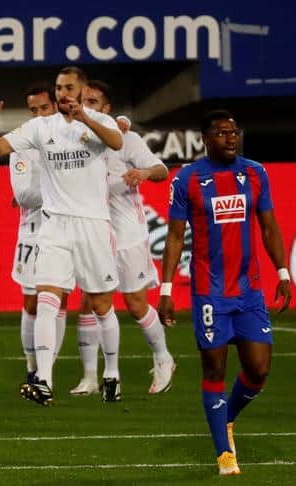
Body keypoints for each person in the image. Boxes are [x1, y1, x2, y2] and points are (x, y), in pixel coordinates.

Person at [0, 66, 124, 406]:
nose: (63, 93)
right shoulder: (40, 126)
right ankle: (43, 379)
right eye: (59, 88)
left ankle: (112, 373)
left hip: (92, 224)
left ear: (82, 89)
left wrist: (85, 119)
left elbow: (116, 142)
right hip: (54, 225)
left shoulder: (99, 121)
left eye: (69, 87)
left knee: (102, 305)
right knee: (47, 298)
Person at [158, 110, 291, 475]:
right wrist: (167, 289)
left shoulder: (255, 173)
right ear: (206, 138)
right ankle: (224, 455)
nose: (230, 138)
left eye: (234, 132)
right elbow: (173, 237)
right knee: (214, 367)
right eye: (222, 133)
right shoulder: (187, 179)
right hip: (210, 295)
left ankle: (225, 418)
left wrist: (282, 271)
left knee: (259, 369)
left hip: (249, 292)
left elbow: (269, 227)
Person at [73, 80, 175, 396]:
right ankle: (90, 377)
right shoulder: (73, 137)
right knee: (89, 303)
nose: (85, 104)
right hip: (93, 233)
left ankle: (163, 357)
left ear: (106, 109)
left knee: (134, 303)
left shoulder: (126, 139)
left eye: (92, 101)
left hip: (127, 234)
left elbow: (161, 170)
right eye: (82, 99)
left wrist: (142, 174)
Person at [0, 84, 70, 388]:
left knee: (60, 302)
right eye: (33, 110)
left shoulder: (69, 138)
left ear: (56, 106)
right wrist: (63, 187)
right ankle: (32, 365)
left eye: (44, 108)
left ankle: (48, 368)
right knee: (32, 303)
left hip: (65, 228)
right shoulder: (22, 143)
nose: (39, 115)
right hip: (33, 233)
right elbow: (23, 193)